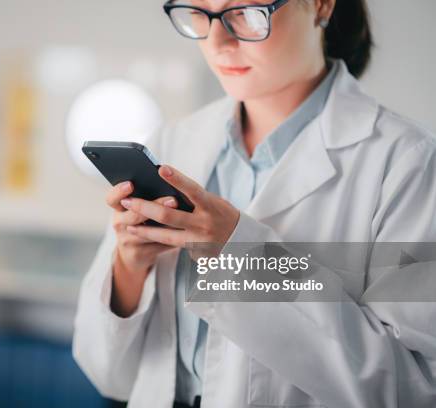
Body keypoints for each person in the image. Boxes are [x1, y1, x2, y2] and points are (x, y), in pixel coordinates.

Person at [73, 0, 436, 407]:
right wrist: (129, 270)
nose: (217, 41)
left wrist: (242, 253)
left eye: (244, 11)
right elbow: (108, 375)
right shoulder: (174, 143)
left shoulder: (407, 164)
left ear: (320, 5)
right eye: (198, 12)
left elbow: (415, 388)